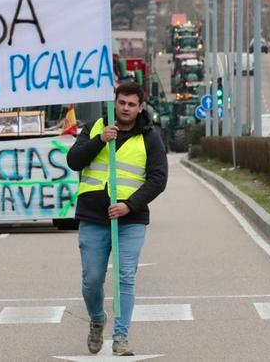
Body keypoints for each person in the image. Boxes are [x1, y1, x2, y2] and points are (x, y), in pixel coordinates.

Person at [67, 81, 167, 356]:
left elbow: (158, 179)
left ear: (140, 107)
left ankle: (121, 337)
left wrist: (129, 205)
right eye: (122, 102)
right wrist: (99, 141)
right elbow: (73, 160)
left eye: (132, 104)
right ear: (114, 101)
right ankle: (97, 319)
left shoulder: (149, 136)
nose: (126, 108)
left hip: (130, 219)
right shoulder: (95, 128)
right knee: (92, 279)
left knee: (125, 277)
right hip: (93, 216)